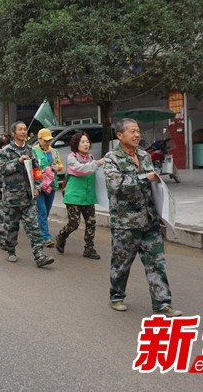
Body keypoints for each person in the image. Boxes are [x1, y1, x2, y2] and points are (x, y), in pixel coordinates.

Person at [103, 118, 181, 317]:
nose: (137, 135)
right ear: (120, 136)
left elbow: (152, 181)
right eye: (132, 131)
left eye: (138, 131)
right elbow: (116, 185)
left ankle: (162, 303)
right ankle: (116, 296)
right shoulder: (112, 158)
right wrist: (144, 178)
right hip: (125, 223)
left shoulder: (145, 155)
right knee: (121, 264)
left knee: (157, 263)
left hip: (150, 220)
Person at [0, 121, 55, 268]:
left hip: (28, 197)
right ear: (13, 133)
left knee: (33, 227)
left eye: (25, 129)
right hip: (11, 197)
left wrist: (38, 186)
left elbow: (37, 171)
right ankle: (10, 250)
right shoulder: (6, 151)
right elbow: (0, 169)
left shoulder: (30, 150)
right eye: (20, 129)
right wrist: (17, 161)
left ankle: (39, 255)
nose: (23, 132)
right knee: (11, 227)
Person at [55, 131, 103, 259]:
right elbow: (81, 169)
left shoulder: (91, 157)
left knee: (91, 222)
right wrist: (97, 164)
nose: (86, 144)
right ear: (76, 143)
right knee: (74, 223)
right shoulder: (72, 157)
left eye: (87, 142)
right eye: (83, 142)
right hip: (74, 196)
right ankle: (61, 236)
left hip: (88, 196)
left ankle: (89, 249)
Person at [33, 128, 64, 248]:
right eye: (45, 140)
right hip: (39, 186)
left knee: (46, 210)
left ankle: (38, 229)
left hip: (51, 185)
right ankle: (46, 237)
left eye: (49, 140)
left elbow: (60, 165)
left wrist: (58, 167)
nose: (47, 142)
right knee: (42, 211)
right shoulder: (33, 151)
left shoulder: (54, 151)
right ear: (39, 139)